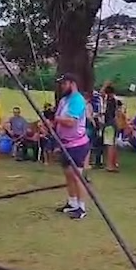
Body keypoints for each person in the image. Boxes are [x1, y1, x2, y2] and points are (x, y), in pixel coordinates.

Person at [51, 73, 91, 220]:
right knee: (68, 175)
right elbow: (58, 120)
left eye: (64, 84)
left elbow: (70, 122)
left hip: (78, 144)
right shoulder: (64, 100)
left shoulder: (77, 100)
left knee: (77, 176)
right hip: (65, 144)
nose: (62, 87)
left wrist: (56, 118)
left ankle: (81, 207)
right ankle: (72, 202)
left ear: (72, 83)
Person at [101, 85, 119, 171]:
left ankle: (110, 166)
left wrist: (105, 84)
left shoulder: (110, 101)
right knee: (113, 145)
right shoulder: (115, 101)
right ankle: (113, 163)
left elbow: (101, 93)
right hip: (113, 125)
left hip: (109, 125)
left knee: (109, 146)